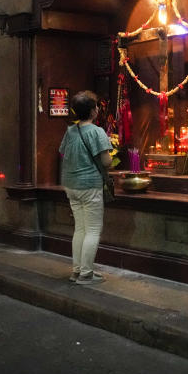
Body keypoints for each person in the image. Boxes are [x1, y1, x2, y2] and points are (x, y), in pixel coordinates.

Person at [58, 91, 111, 285]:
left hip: (71, 185)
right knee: (93, 230)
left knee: (80, 228)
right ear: (92, 110)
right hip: (89, 185)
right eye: (96, 106)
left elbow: (63, 153)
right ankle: (86, 274)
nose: (98, 109)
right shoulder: (97, 132)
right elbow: (106, 161)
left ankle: (77, 270)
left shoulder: (71, 130)